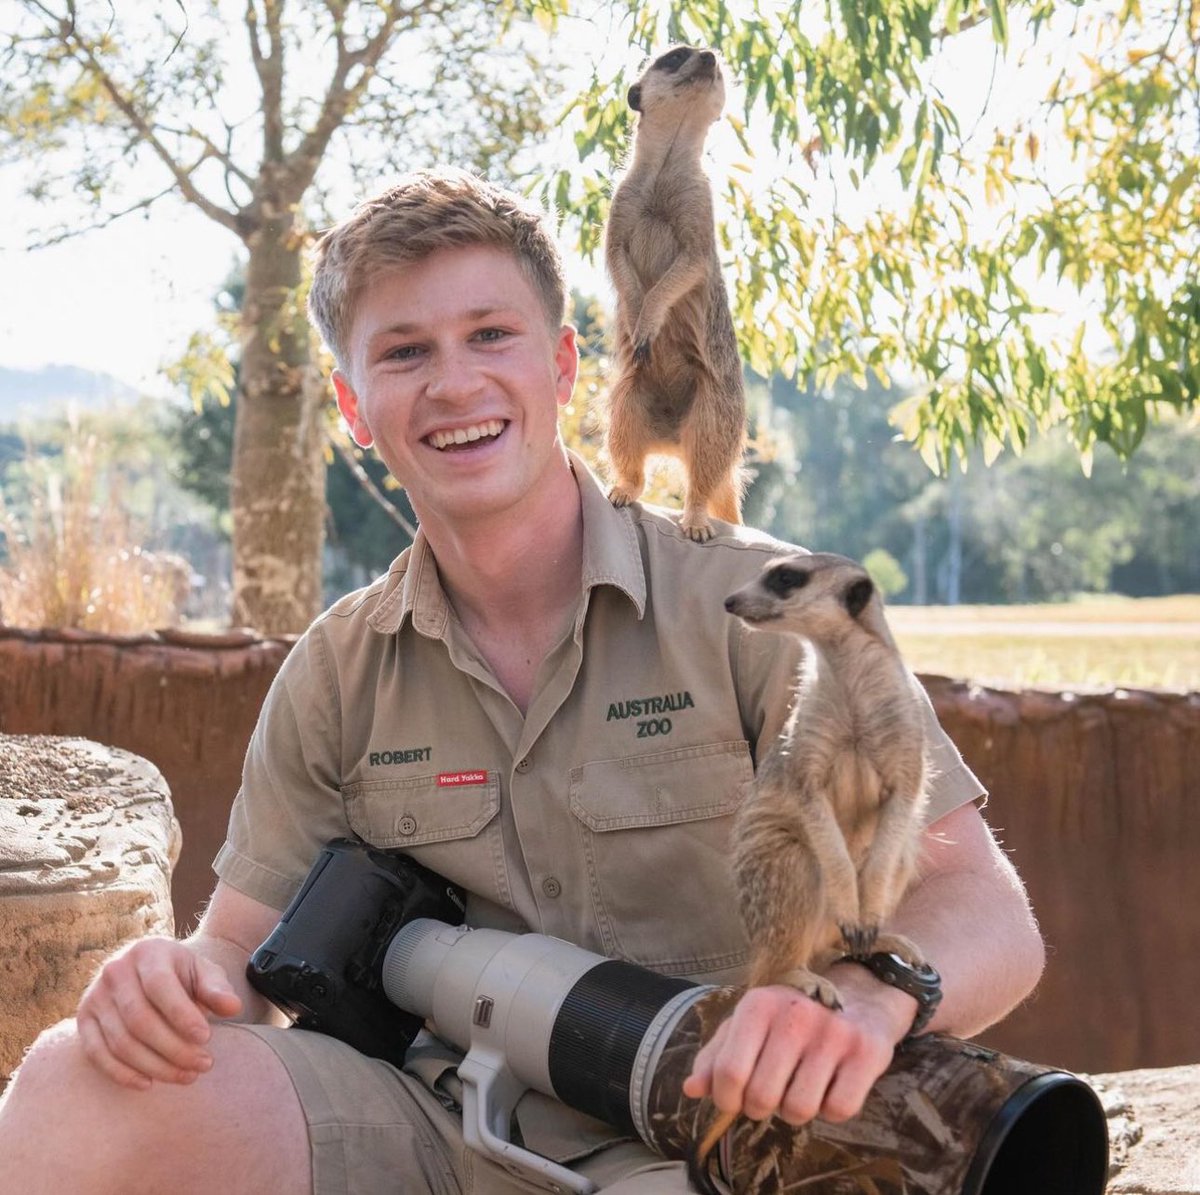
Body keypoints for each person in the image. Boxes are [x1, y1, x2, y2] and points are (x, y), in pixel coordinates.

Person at [0, 168, 1044, 1195]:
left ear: (564, 366)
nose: (455, 385)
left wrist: (868, 997)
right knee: (69, 1089)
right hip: (430, 1126)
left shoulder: (765, 614)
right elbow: (237, 958)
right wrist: (173, 983)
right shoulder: (337, 670)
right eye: (405, 353)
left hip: (729, 1140)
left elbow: (982, 903)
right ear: (354, 407)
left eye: (490, 336)